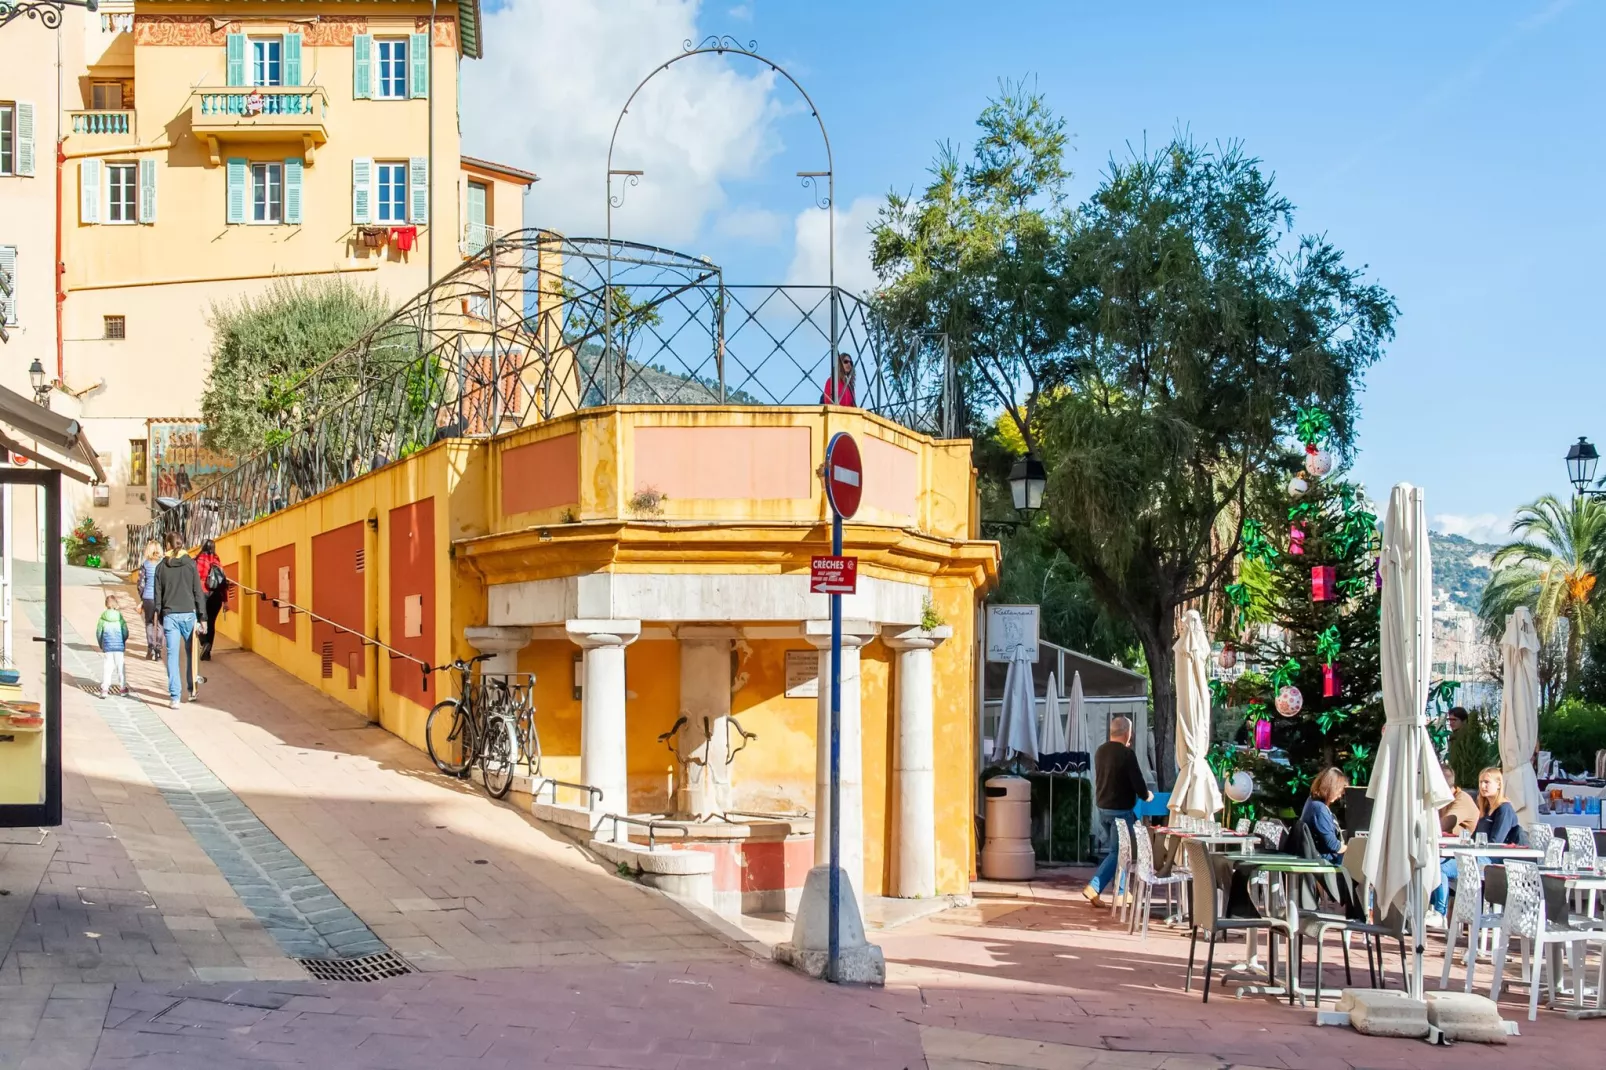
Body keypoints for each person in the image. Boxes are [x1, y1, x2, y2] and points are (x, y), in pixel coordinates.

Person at [1081, 716, 1153, 905]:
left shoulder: (1100, 751)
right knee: (1120, 853)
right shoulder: (1126, 754)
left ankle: (1113, 891)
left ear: (1111, 732)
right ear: (1128, 733)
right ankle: (1100, 888)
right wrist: (1147, 796)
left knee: (1119, 851)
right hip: (1121, 812)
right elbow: (1138, 784)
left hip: (1103, 809)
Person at [154, 532, 206, 709]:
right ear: (182, 544)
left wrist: (160, 615)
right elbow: (198, 592)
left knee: (172, 657)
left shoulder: (161, 566)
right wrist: (203, 617)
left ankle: (175, 697)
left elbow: (157, 595)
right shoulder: (191, 564)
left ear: (168, 545)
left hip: (170, 616)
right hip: (189, 615)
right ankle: (192, 690)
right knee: (192, 654)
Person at [1429, 763, 1479, 921]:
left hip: (1469, 858)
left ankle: (1440, 912)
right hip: (1451, 853)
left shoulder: (1461, 799)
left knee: (1437, 866)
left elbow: (1444, 824)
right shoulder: (1442, 800)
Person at [1299, 767, 1349, 864]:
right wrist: (1353, 848)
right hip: (1326, 862)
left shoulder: (1311, 802)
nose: (1339, 796)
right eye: (1339, 791)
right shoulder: (1319, 809)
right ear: (1331, 787)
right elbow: (1334, 846)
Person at [1473, 766, 1525, 846]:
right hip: (1482, 853)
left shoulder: (1504, 809)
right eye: (1480, 782)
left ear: (1499, 785)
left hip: (1499, 855)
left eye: (1487, 782)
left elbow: (1496, 843)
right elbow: (1474, 838)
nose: (1482, 786)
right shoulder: (1486, 808)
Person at [195, 539, 227, 661]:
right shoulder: (217, 560)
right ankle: (207, 652)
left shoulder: (198, 560)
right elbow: (223, 583)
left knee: (201, 620)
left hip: (201, 594)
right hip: (216, 596)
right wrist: (225, 600)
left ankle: (204, 643)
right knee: (211, 623)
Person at [95, 595, 129, 699]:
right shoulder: (120, 618)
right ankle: (123, 688)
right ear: (115, 604)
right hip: (119, 647)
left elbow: (99, 633)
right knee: (120, 667)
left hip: (108, 646)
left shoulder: (102, 618)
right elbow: (125, 632)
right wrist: (122, 641)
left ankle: (105, 689)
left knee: (107, 668)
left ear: (106, 604)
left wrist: (101, 644)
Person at [137, 540, 163, 661]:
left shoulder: (145, 564)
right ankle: (158, 649)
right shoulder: (163, 564)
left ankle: (150, 647)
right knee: (160, 624)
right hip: (161, 598)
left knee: (149, 622)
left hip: (148, 597)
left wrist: (141, 598)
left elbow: (141, 583)